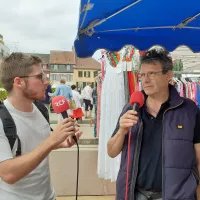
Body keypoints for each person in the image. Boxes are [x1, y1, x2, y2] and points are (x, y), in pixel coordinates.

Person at [107, 48, 200, 200]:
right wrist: (122, 130)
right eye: (142, 75)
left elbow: (198, 157)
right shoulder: (131, 108)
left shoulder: (189, 110)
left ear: (168, 75)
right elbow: (111, 152)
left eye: (152, 74)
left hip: (179, 195)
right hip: (136, 194)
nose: (145, 80)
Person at [0, 53, 82, 200]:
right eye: (39, 77)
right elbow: (8, 174)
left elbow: (38, 142)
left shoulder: (40, 109)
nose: (46, 81)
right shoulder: (2, 119)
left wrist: (61, 142)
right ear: (18, 82)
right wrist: (51, 142)